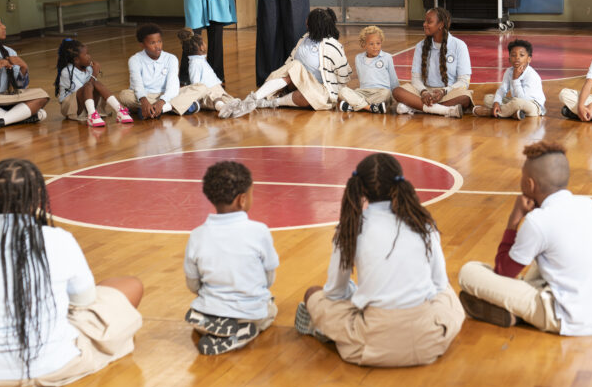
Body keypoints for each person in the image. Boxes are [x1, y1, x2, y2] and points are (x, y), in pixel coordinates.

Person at [294, 153, 464, 367]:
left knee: (313, 294)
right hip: (429, 340)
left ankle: (326, 328)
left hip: (370, 344)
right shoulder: (423, 224)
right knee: (448, 292)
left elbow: (335, 292)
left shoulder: (351, 227)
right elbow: (438, 285)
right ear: (400, 184)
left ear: (360, 188)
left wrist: (355, 296)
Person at [0, 159, 143, 387]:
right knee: (130, 286)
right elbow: (84, 300)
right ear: (37, 198)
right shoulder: (58, 239)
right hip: (56, 364)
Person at [457, 141, 592, 336]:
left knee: (469, 272)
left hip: (568, 318)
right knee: (546, 256)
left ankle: (517, 312)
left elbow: (504, 272)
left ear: (529, 184)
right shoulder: (589, 205)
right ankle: (515, 306)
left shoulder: (538, 221)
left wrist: (513, 221)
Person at [184, 161, 278, 355]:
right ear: (242, 200)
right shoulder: (259, 231)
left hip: (211, 306)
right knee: (270, 311)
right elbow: (269, 278)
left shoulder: (197, 235)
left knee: (204, 312)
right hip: (251, 311)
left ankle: (211, 320)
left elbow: (192, 284)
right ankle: (241, 332)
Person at [236, 8, 350, 115]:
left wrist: (337, 93)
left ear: (315, 25)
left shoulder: (333, 46)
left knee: (307, 96)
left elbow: (344, 75)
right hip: (296, 82)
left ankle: (272, 103)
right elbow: (289, 63)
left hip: (318, 89)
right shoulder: (304, 38)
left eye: (308, 19)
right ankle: (253, 99)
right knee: (294, 66)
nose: (306, 21)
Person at [392, 7, 472, 119]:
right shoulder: (420, 46)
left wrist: (443, 91)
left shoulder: (459, 45)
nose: (424, 24)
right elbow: (415, 78)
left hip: (447, 92)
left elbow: (464, 81)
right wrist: (424, 92)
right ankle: (444, 110)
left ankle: (415, 107)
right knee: (397, 91)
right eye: (425, 21)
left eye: (429, 22)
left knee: (465, 98)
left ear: (441, 24)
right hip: (423, 92)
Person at [116, 24, 202, 119]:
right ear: (142, 45)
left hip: (165, 95)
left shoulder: (171, 58)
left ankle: (157, 110)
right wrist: (144, 101)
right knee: (124, 95)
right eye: (152, 43)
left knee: (200, 87)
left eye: (159, 41)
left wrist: (161, 102)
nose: (157, 46)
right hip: (145, 96)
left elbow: (173, 86)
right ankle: (178, 106)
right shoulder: (135, 60)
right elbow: (137, 85)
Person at [53, 38, 133, 127]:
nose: (89, 56)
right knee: (90, 85)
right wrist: (94, 74)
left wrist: (93, 74)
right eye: (86, 54)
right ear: (76, 60)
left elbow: (92, 87)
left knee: (96, 84)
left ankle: (119, 110)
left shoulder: (88, 68)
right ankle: (92, 115)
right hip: (71, 107)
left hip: (85, 104)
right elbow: (83, 90)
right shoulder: (67, 71)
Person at [0, 14, 49, 130]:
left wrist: (23, 67)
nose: (4, 27)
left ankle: (2, 121)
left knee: (42, 96)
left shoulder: (9, 52)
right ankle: (20, 117)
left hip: (5, 100)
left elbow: (21, 86)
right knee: (42, 113)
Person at [473, 39, 545, 120]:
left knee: (516, 103)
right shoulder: (509, 71)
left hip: (533, 106)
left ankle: (490, 112)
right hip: (517, 101)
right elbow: (502, 90)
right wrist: (496, 102)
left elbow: (523, 100)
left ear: (529, 59)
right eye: (513, 55)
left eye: (521, 55)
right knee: (488, 98)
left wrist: (515, 79)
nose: (517, 58)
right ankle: (514, 113)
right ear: (509, 59)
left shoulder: (531, 75)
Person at [176, 29, 237, 119]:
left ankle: (234, 106)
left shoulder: (200, 60)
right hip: (208, 92)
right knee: (214, 100)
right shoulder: (194, 63)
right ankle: (223, 108)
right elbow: (195, 84)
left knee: (227, 98)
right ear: (202, 47)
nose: (205, 44)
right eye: (204, 43)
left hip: (216, 88)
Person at [338, 26, 399, 114]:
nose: (375, 47)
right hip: (363, 91)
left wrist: (396, 97)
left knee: (386, 94)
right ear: (364, 44)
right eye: (371, 44)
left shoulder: (387, 57)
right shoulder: (358, 58)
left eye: (378, 43)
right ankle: (371, 107)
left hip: (381, 92)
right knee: (342, 91)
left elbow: (394, 80)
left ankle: (354, 106)